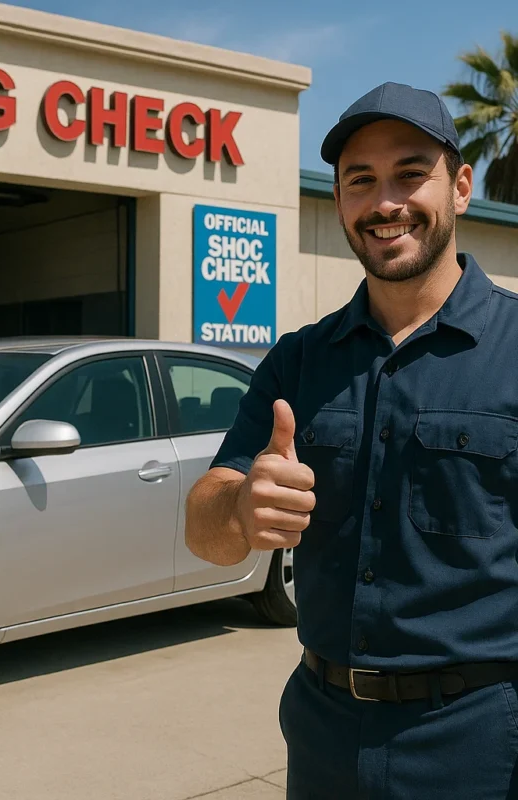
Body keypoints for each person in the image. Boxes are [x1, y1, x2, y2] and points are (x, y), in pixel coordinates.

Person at [184, 81, 518, 799]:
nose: (385, 201)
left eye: (409, 173)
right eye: (359, 181)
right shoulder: (298, 362)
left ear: (460, 187)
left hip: (481, 745)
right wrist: (241, 506)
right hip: (323, 736)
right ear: (339, 202)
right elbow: (205, 528)